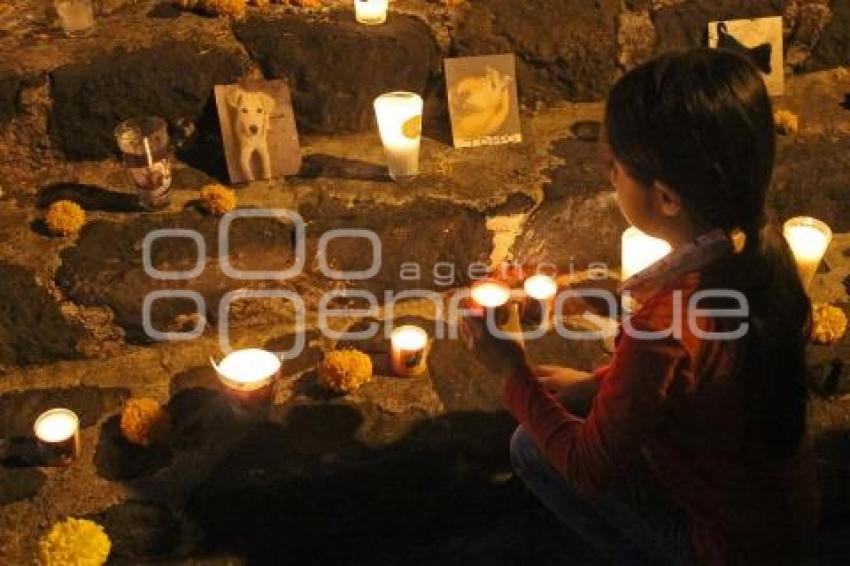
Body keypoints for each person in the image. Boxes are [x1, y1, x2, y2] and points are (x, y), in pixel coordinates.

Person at [462, 48, 819, 565]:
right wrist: (598, 384)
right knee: (569, 406)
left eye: (617, 168)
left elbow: (587, 467)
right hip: (780, 513)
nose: (609, 176)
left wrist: (510, 369)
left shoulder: (668, 323)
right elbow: (695, 381)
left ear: (668, 198)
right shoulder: (761, 252)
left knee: (528, 446)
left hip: (722, 545)